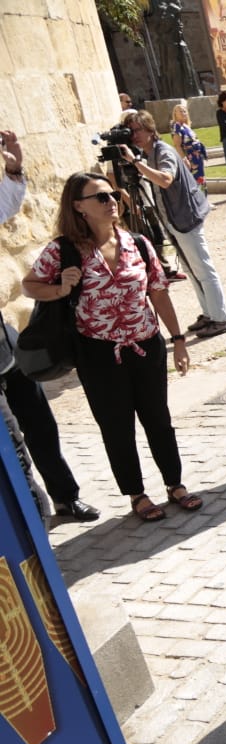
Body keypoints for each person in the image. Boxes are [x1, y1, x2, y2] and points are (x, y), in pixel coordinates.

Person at [21, 172, 200, 522]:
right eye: (100, 197)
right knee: (117, 426)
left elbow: (158, 293)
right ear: (79, 207)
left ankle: (175, 484)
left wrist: (178, 341)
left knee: (158, 419)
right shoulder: (64, 250)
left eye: (112, 194)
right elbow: (30, 285)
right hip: (98, 353)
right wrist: (59, 288)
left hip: (146, 345)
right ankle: (136, 494)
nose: (111, 202)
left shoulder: (138, 242)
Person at [0, 135, 98, 522]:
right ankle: (31, 512)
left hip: (4, 341)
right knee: (11, 438)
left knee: (40, 422)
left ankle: (64, 497)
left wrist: (12, 168)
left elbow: (6, 204)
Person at [118, 110, 226, 338]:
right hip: (174, 219)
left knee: (203, 268)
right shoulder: (149, 153)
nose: (134, 136)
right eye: (131, 132)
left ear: (150, 130)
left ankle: (220, 318)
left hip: (185, 218)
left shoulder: (163, 151)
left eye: (137, 130)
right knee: (191, 269)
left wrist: (135, 161)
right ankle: (209, 313)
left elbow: (166, 179)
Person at [169, 103, 207, 189]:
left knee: (200, 178)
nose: (183, 113)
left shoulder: (186, 126)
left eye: (185, 111)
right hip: (189, 159)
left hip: (196, 157)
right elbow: (177, 145)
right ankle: (198, 199)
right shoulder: (177, 127)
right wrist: (184, 159)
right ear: (175, 113)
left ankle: (203, 197)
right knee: (194, 180)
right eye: (181, 111)